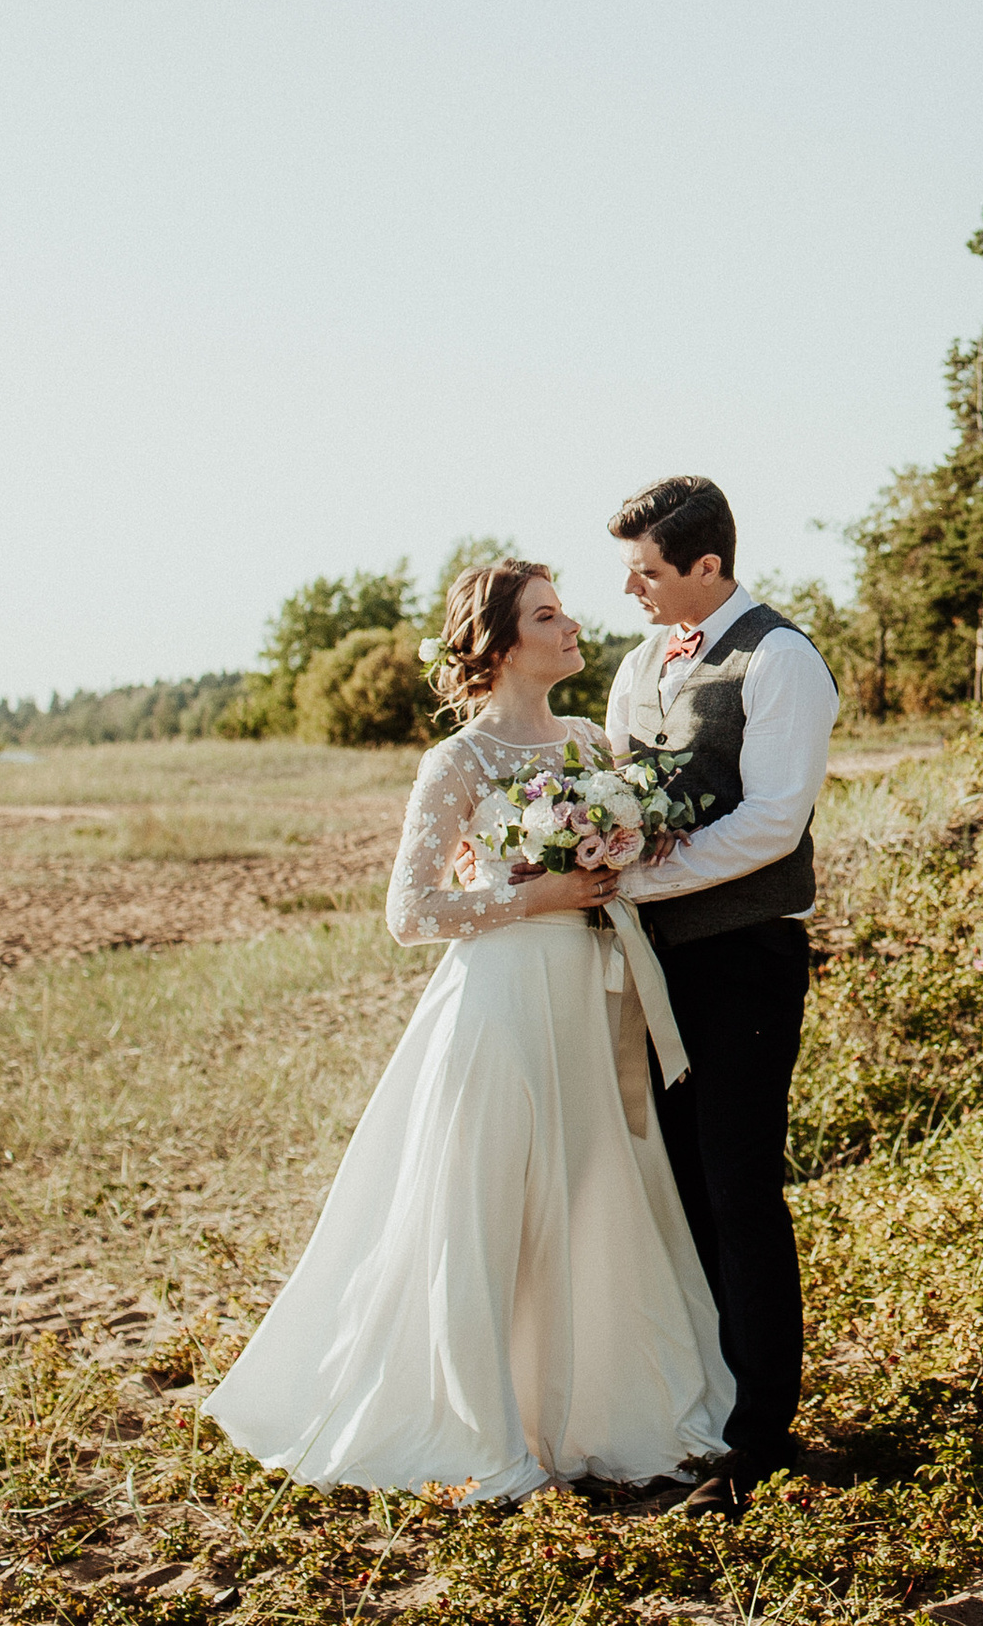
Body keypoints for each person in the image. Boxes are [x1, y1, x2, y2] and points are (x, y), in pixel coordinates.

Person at [203, 560, 732, 1499]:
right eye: (547, 614)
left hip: (587, 995)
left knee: (595, 1190)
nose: (571, 625)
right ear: (498, 644)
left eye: (564, 610)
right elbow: (411, 912)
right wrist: (541, 895)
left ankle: (601, 1411)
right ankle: (488, 1432)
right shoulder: (457, 762)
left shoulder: (587, 742)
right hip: (498, 1000)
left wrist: (622, 847)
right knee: (490, 1206)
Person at [602, 475, 837, 1514]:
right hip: (652, 962)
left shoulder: (782, 658)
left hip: (744, 958)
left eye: (647, 569)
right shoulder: (640, 661)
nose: (630, 586)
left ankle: (760, 1432)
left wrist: (636, 876)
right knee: (680, 1185)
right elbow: (616, 787)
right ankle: (703, 1398)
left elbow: (771, 824)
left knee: (739, 1188)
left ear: (708, 566)